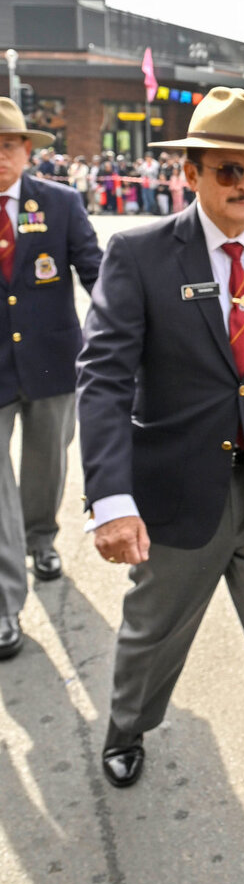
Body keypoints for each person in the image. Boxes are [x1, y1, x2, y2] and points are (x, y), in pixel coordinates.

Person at [76, 87, 244, 884]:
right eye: (229, 170)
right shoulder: (141, 256)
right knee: (152, 637)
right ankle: (128, 725)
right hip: (178, 495)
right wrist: (111, 498)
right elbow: (103, 378)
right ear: (190, 172)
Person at [0, 100, 103, 660]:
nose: (0, 156)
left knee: (46, 466)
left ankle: (41, 539)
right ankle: (4, 602)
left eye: (8, 145)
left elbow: (95, 271)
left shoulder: (60, 203)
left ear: (27, 150)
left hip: (51, 360)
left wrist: (129, 326)